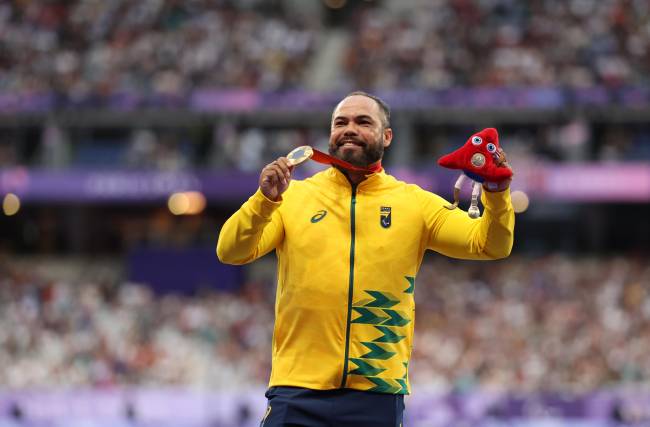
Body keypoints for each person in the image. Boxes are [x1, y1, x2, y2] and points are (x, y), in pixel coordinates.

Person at [217, 91, 515, 427]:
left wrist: (496, 192)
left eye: (363, 122)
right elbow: (230, 251)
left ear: (386, 136)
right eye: (340, 122)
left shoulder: (414, 204)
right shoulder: (293, 197)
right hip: (296, 389)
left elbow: (489, 244)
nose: (349, 129)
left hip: (376, 393)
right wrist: (263, 201)